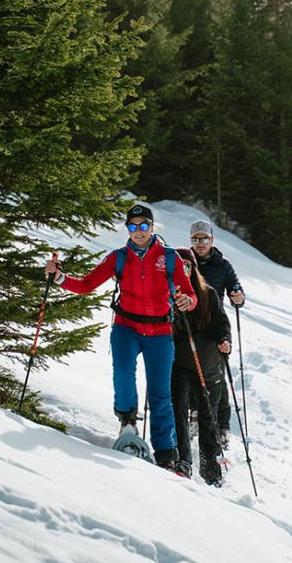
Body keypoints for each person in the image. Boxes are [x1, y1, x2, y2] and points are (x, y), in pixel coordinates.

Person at [45, 203, 196, 470]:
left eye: (144, 226)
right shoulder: (118, 257)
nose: (138, 231)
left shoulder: (169, 258)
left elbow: (189, 293)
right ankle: (127, 423)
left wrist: (188, 302)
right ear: (127, 229)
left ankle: (166, 453)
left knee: (160, 393)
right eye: (133, 226)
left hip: (160, 331)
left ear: (152, 227)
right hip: (126, 326)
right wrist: (59, 278)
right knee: (123, 372)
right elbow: (86, 284)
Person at [171, 247, 231, 486]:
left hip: (207, 364)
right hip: (180, 364)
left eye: (187, 265)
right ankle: (182, 461)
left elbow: (221, 323)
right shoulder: (169, 293)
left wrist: (224, 340)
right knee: (178, 412)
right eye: (178, 265)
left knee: (208, 418)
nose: (183, 269)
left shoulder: (208, 293)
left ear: (193, 268)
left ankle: (212, 472)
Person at [189, 219, 245, 448]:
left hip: (215, 325)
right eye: (195, 239)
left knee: (218, 375)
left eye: (204, 238)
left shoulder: (223, 264)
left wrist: (238, 296)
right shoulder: (185, 261)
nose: (200, 243)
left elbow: (236, 287)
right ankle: (194, 413)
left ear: (212, 240)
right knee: (190, 368)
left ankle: (222, 426)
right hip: (189, 322)